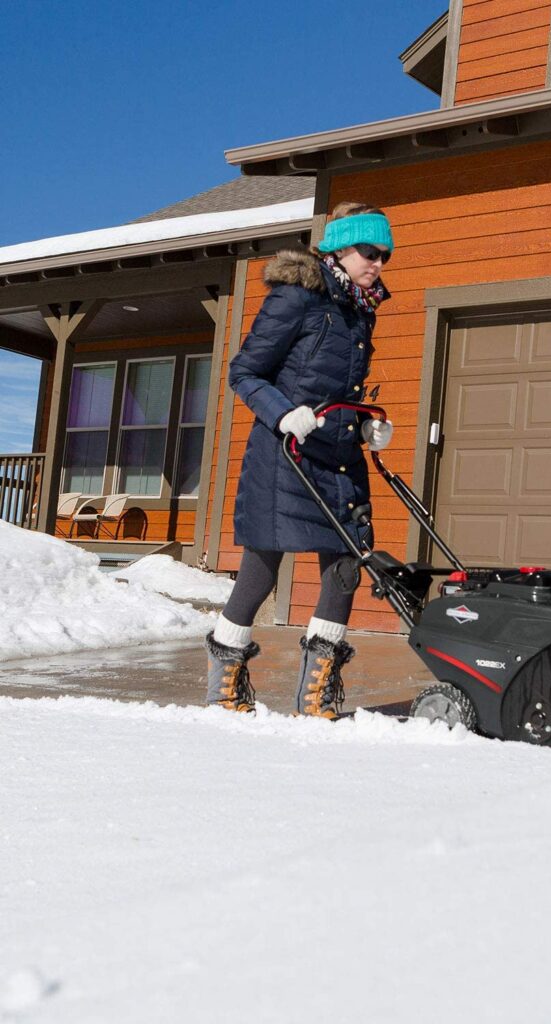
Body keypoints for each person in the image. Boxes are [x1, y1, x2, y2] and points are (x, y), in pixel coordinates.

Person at [204, 202, 395, 718]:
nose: (377, 263)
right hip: (283, 453)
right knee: (261, 568)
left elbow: (337, 387)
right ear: (338, 248)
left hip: (336, 456)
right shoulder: (298, 298)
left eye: (384, 255)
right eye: (368, 252)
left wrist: (364, 424)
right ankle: (223, 686)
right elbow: (245, 372)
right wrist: (284, 413)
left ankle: (316, 693)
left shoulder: (360, 308)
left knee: (345, 568)